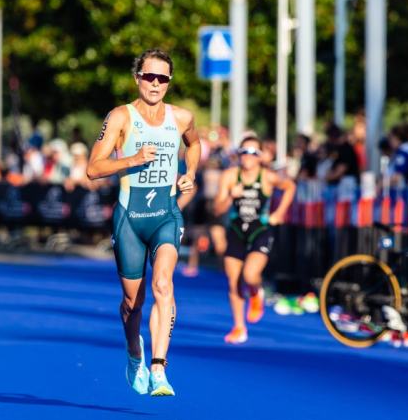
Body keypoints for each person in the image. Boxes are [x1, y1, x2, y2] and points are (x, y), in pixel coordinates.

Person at [86, 48, 200, 397]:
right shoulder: (121, 117)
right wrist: (132, 159)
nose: (155, 83)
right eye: (149, 76)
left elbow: (193, 146)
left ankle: (159, 368)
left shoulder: (181, 116)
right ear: (137, 77)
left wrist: (190, 172)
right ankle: (135, 354)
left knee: (163, 285)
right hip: (129, 220)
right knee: (132, 304)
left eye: (162, 78)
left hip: (165, 215)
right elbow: (93, 168)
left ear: (169, 81)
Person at [214, 136, 295, 343]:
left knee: (250, 274)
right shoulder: (230, 176)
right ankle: (239, 328)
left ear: (260, 157)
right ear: (239, 155)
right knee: (234, 282)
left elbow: (290, 187)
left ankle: (256, 291)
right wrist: (231, 196)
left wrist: (279, 212)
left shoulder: (267, 176)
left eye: (253, 153)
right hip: (236, 230)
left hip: (260, 229)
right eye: (244, 152)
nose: (248, 157)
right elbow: (217, 209)